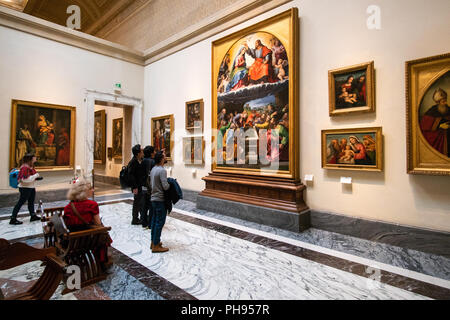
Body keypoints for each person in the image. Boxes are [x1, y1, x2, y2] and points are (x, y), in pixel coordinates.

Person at [63, 178, 112, 270]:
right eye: (91, 188)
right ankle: (103, 262)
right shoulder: (92, 205)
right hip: (89, 239)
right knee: (103, 236)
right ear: (84, 192)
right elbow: (98, 224)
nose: (93, 190)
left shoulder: (68, 207)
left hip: (73, 240)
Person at [10, 154, 43, 225]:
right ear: (29, 159)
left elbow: (30, 177)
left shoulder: (30, 167)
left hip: (30, 187)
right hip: (25, 188)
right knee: (20, 202)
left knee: (31, 202)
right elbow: (25, 179)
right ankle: (13, 218)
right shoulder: (24, 168)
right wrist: (36, 175)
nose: (35, 160)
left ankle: (33, 215)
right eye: (34, 159)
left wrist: (36, 177)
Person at [419, 88, 450, 157]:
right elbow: (424, 127)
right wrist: (440, 126)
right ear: (438, 102)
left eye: (445, 100)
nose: (445, 103)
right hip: (439, 136)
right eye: (443, 101)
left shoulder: (448, 109)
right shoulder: (431, 111)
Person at [150, 151, 170, 253]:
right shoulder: (162, 170)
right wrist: (171, 183)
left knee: (154, 220)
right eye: (164, 156)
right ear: (161, 159)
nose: (166, 157)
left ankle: (153, 241)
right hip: (160, 199)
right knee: (159, 222)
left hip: (153, 198)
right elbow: (165, 186)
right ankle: (156, 245)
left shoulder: (153, 169)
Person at [128, 144, 146, 225]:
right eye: (141, 151)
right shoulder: (133, 162)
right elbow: (130, 175)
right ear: (138, 153)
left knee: (139, 201)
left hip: (138, 185)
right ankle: (135, 219)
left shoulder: (138, 160)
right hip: (136, 186)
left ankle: (138, 218)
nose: (143, 152)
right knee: (137, 202)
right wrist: (134, 187)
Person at [141, 145, 156, 229]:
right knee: (151, 206)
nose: (155, 152)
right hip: (150, 187)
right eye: (154, 151)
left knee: (144, 206)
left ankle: (143, 222)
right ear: (151, 153)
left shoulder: (143, 161)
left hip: (143, 186)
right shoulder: (152, 162)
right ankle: (150, 223)